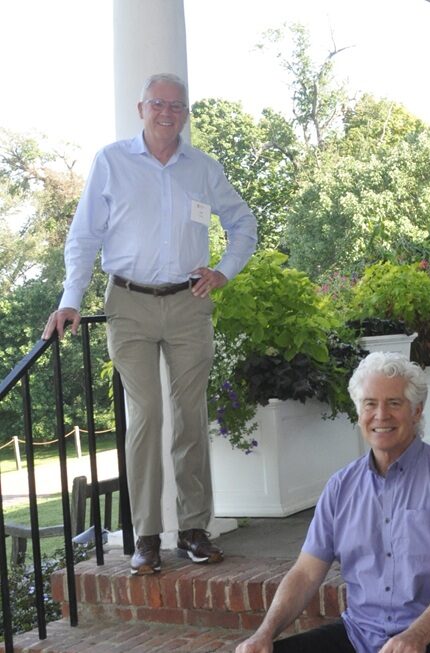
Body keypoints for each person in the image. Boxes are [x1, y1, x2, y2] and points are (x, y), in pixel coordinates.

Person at [42, 73, 257, 575]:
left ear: (186, 113)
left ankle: (194, 530)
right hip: (129, 303)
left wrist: (223, 270)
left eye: (177, 105)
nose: (167, 112)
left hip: (188, 303)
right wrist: (71, 298)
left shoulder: (203, 168)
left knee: (189, 415)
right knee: (146, 417)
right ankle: (145, 537)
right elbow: (84, 235)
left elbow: (243, 223)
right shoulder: (111, 161)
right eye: (158, 103)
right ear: (141, 108)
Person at [235, 352, 430, 653]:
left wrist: (416, 636)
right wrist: (264, 634)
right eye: (370, 404)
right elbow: (305, 573)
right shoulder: (340, 487)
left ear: (417, 411)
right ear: (359, 413)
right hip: (361, 633)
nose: (380, 415)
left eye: (394, 403)